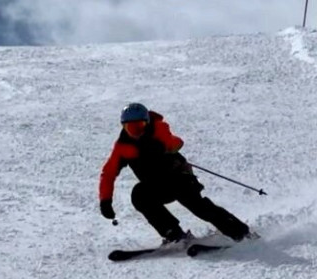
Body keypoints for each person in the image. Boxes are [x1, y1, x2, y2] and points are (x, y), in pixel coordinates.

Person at [99, 102, 253, 244]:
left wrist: (162, 145)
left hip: (180, 179)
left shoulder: (158, 129)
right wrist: (105, 201)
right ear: (123, 127)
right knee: (139, 194)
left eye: (139, 126)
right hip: (157, 186)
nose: (135, 132)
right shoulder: (123, 147)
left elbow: (176, 142)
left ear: (147, 123)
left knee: (199, 207)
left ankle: (240, 232)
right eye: (130, 128)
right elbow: (108, 173)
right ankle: (174, 234)